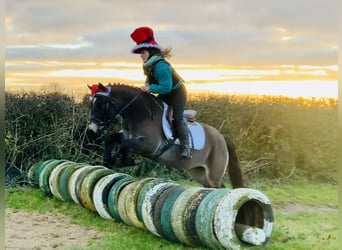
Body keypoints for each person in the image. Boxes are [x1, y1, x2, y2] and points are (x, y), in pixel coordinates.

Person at [130, 26, 192, 159]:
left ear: (150, 52)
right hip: (166, 91)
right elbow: (150, 78)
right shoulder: (148, 64)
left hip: (176, 92)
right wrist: (147, 85)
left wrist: (150, 88)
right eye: (140, 53)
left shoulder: (161, 66)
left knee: (177, 118)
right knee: (154, 110)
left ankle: (186, 147)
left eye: (143, 52)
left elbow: (166, 87)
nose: (141, 55)